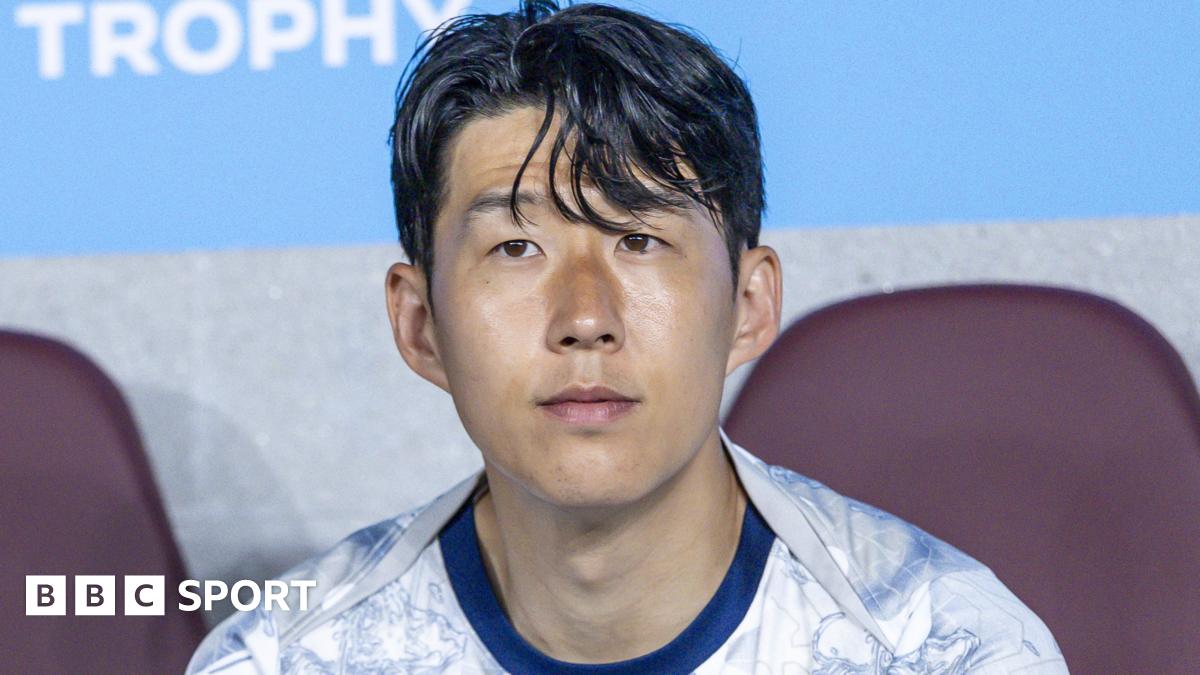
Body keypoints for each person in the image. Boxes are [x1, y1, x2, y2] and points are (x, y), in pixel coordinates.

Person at [188, 1, 1067, 672]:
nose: (585, 319)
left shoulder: (938, 647)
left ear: (751, 304)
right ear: (420, 326)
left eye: (640, 239)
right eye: (516, 246)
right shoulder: (289, 657)